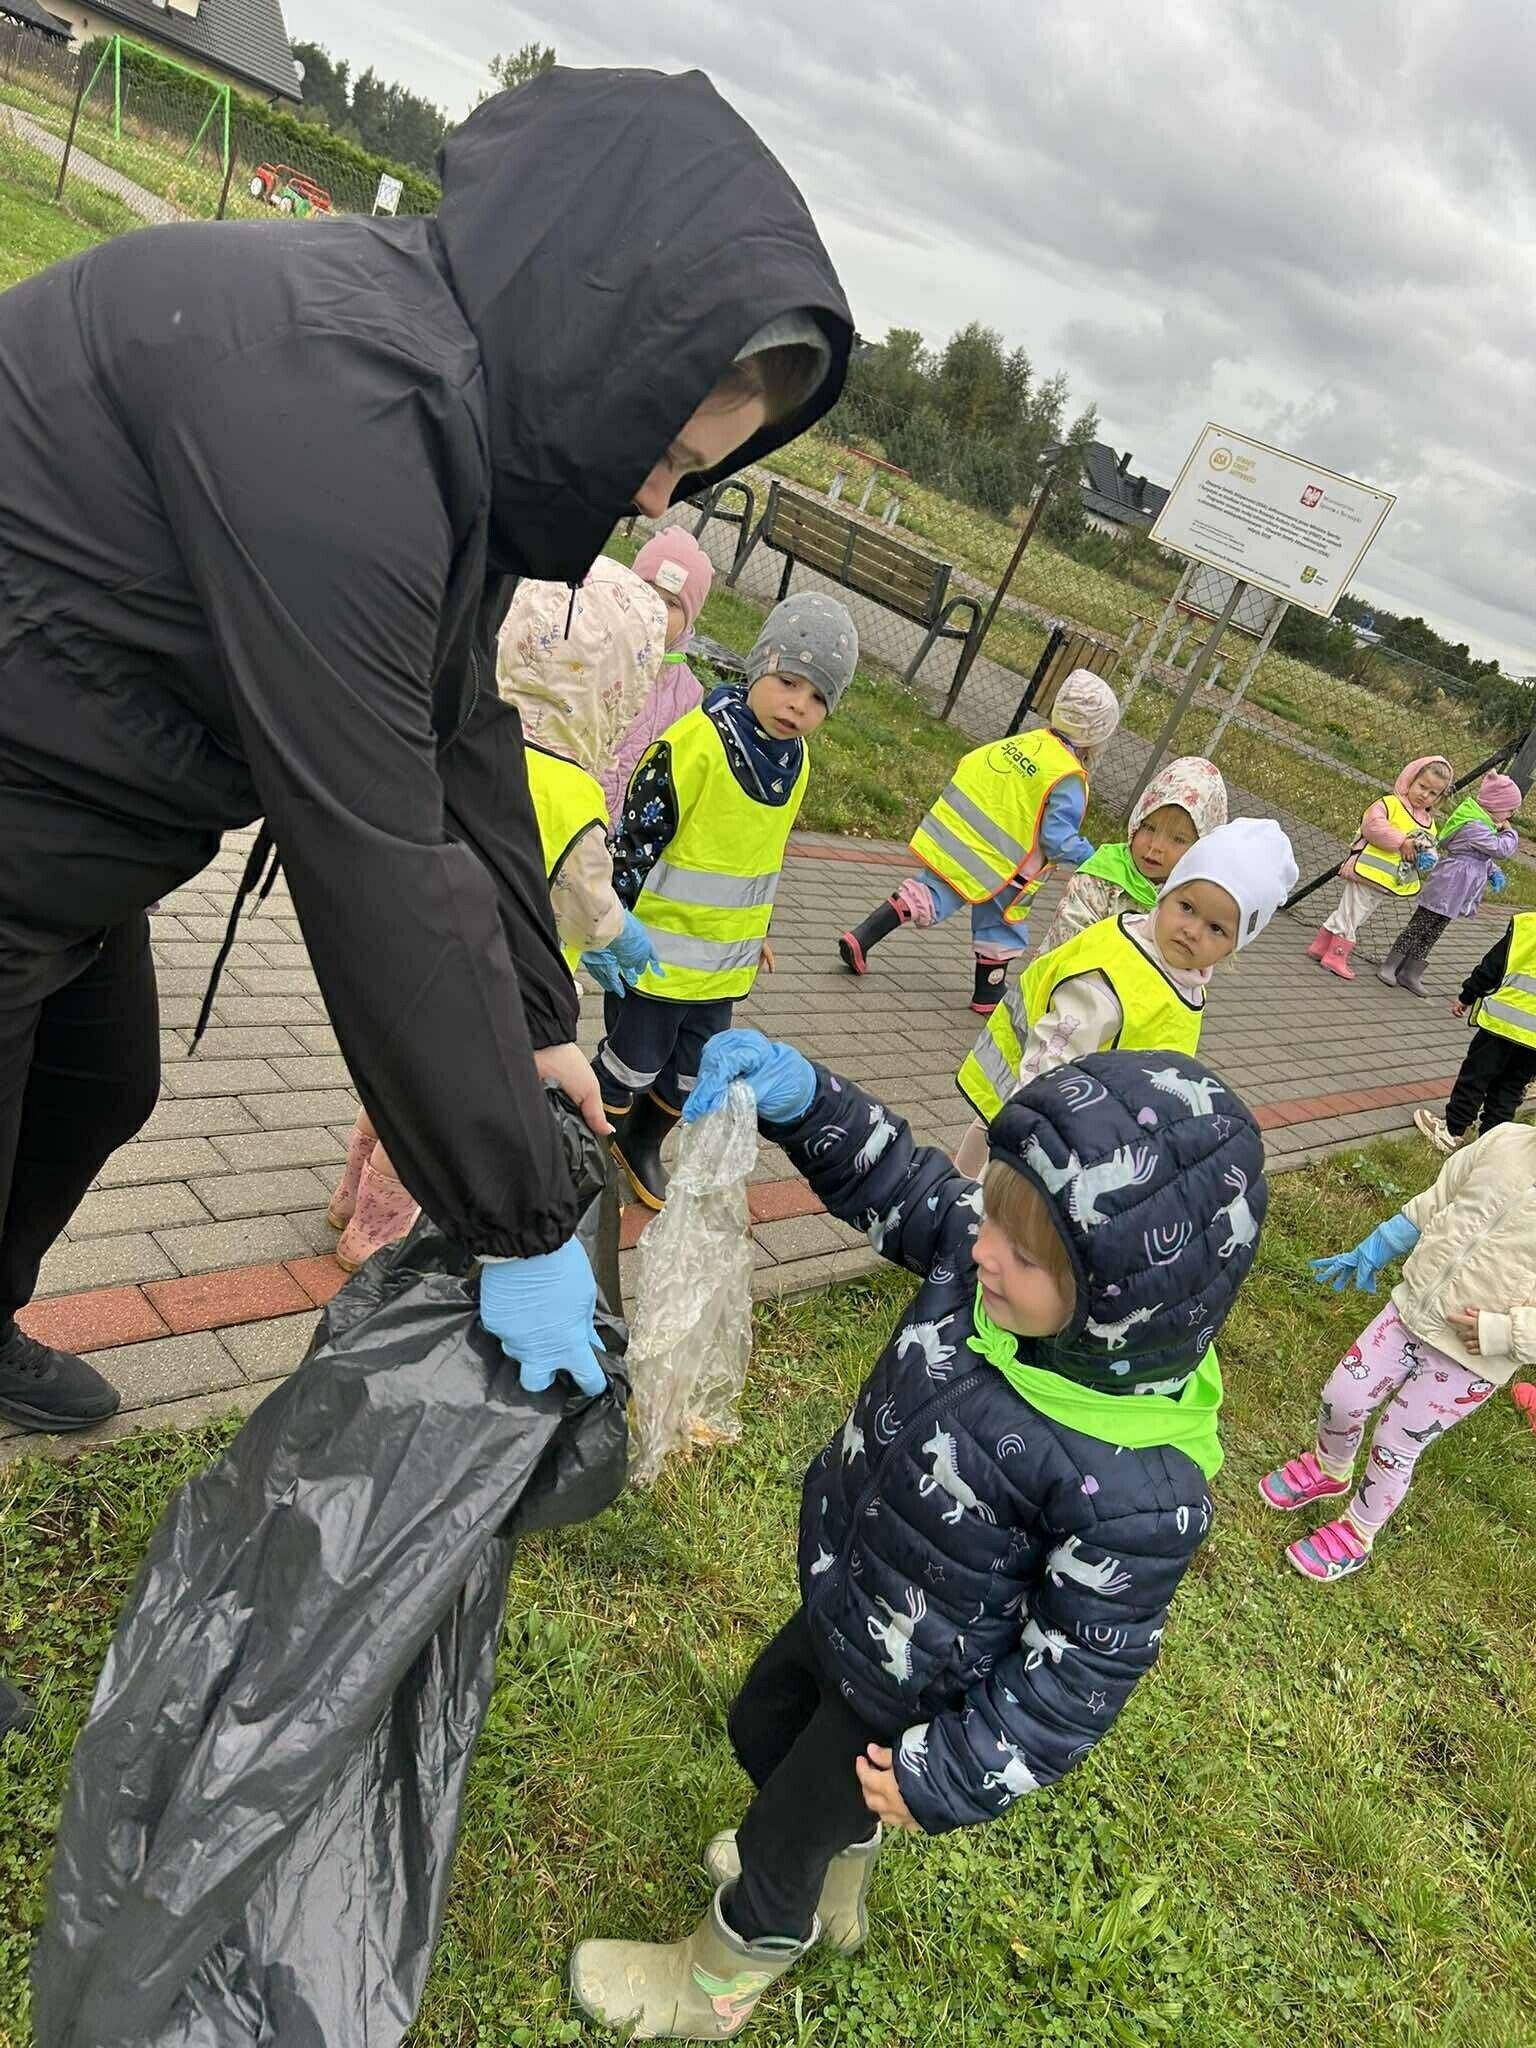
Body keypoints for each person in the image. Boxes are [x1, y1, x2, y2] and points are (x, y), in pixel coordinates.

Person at [0, 66, 852, 1438]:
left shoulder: (438, 411)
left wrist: (535, 1029)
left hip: (65, 814)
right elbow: (373, 844)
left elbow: (463, 735)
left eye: (693, 477)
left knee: (103, 1083)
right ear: (594, 352)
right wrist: (516, 1219)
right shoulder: (346, 414)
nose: (654, 496)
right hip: (25, 790)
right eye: (663, 448)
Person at [569, 1035, 1267, 2039]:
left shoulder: (1136, 1485)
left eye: (1024, 1254)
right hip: (850, 1592)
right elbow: (901, 1179)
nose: (984, 1247)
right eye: (993, 1212)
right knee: (762, 1725)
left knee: (779, 1825)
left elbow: (1078, 1674)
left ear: (1124, 1301)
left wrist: (952, 1768)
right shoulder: (984, 1274)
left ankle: (722, 1973)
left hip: (910, 1688)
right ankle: (835, 1880)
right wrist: (807, 1100)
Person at [325, 558, 671, 1271]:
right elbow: (584, 893)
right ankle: (374, 1237)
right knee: (437, 1117)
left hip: (422, 963)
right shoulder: (575, 795)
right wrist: (615, 935)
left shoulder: (470, 746)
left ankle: (347, 1193)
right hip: (502, 997)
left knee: (394, 1092)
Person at [599, 592, 858, 1208]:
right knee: (630, 1064)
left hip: (721, 968)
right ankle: (581, 1153)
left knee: (691, 1071)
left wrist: (757, 930)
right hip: (654, 958)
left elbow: (760, 858)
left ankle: (640, 1143)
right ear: (759, 666)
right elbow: (637, 836)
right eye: (789, 681)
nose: (799, 704)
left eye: (819, 696)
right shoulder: (697, 742)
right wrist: (609, 919)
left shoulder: (795, 763)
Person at [1262, 1121, 1536, 1582]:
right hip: (1410, 1309)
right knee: (1341, 1396)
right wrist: (1378, 1245)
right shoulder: (1506, 1139)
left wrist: (1504, 1334)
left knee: (1395, 1443)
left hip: (1471, 1356)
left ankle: (1357, 1530)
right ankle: (1331, 1467)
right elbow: (1439, 1198)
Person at [952, 817, 1297, 1178]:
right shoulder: (1115, 970)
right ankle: (959, 1204)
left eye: (1216, 928)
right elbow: (1054, 1051)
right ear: (1165, 896)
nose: (1192, 931)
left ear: (1232, 947)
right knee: (990, 1148)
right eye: (1187, 908)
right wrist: (1026, 1133)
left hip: (1078, 1111)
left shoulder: (1183, 978)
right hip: (1032, 1096)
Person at [836, 670, 1122, 1015]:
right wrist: (1094, 858)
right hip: (1009, 864)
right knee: (1002, 922)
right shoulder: (1067, 776)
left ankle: (863, 935)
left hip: (964, 840)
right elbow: (1056, 838)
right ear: (1097, 735)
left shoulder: (1027, 742)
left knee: (932, 891)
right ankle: (988, 993)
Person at [1033, 755, 1228, 954]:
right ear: (1137, 820)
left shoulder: (1194, 900)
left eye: (1178, 839)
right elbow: (1068, 946)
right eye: (1149, 827)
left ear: (1201, 849)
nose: (1156, 846)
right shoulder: (1102, 877)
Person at [601, 529, 717, 821]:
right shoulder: (596, 651)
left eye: (672, 604)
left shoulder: (689, 696)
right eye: (647, 590)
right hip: (571, 804)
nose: (655, 608)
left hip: (627, 829)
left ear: (691, 617)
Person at [1307, 756, 1453, 981]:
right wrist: (1401, 841)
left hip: (1386, 879)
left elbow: (1427, 844)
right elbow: (1372, 826)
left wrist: (1426, 856)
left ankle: (1321, 945)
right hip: (1366, 871)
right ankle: (1335, 956)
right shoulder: (1390, 804)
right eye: (1422, 786)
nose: (1425, 795)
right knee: (1352, 913)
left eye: (1433, 793)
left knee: (1353, 912)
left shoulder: (1428, 821)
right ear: (1410, 780)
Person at [1378, 770, 1522, 997]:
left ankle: (1410, 971)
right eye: (1510, 809)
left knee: (1434, 930)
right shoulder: (1475, 825)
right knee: (1420, 926)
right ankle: (1391, 964)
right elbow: (1499, 849)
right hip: (1449, 883)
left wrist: (1492, 871)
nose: (1511, 815)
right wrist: (1510, 832)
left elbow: (1481, 857)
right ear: (1495, 806)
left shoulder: (1484, 826)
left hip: (1458, 889)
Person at [1414, 910, 1536, 1154]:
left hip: (1503, 1022)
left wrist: (1467, 995)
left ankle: (1452, 1131)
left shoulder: (1528, 925)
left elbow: (1492, 967)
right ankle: (1489, 1147)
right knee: (1510, 1088)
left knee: (1477, 1076)